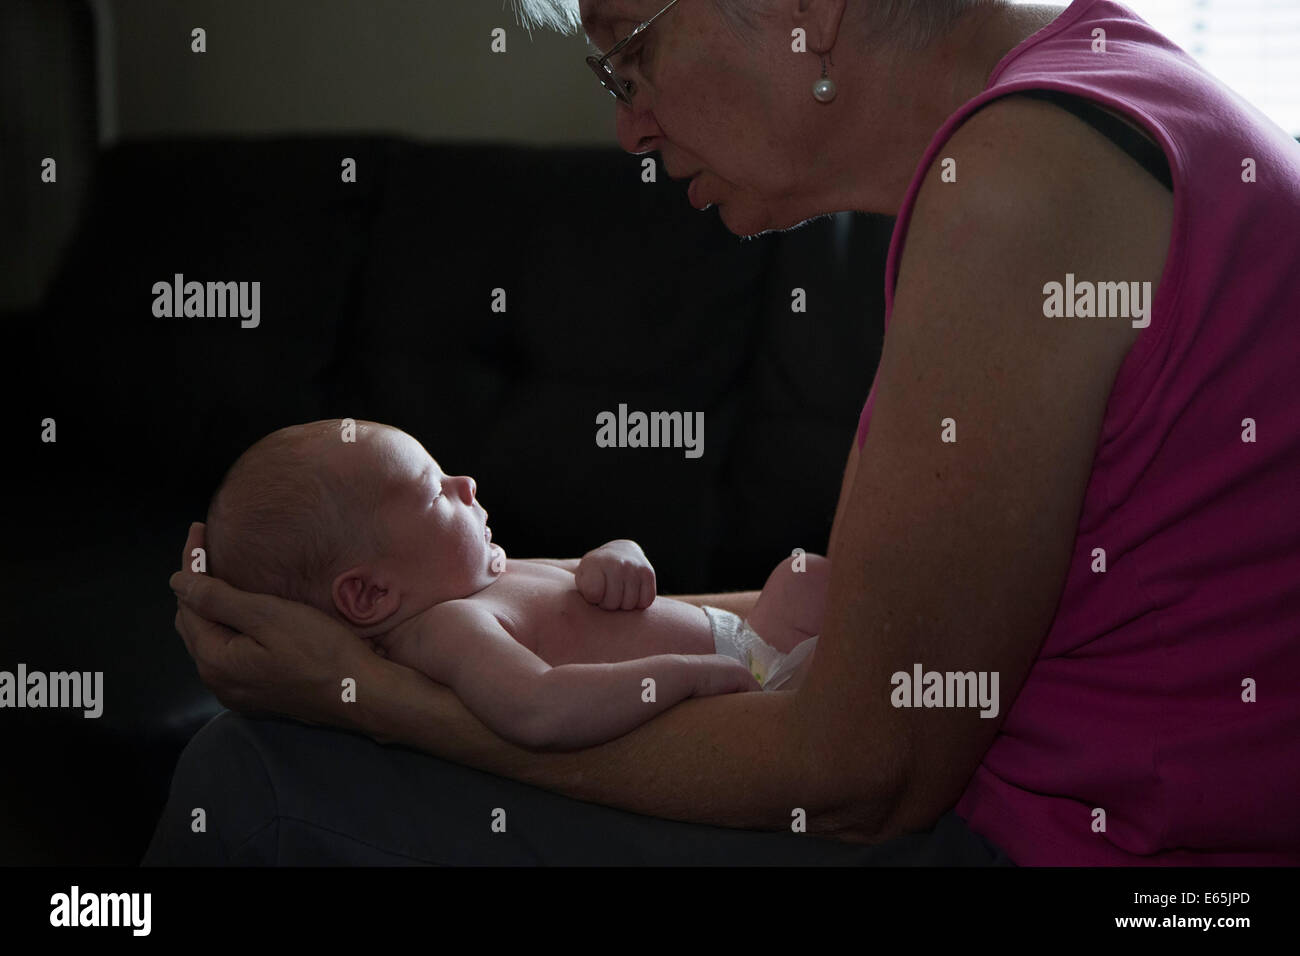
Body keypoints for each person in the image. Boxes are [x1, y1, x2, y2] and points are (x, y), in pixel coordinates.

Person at [155, 0, 1300, 865]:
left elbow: (858, 765)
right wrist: (480, 610)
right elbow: (898, 637)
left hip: (1089, 850)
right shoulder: (1097, 96)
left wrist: (370, 696)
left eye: (630, 54)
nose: (627, 125)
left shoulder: (1021, 184)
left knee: (250, 771)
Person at [203, 419, 824, 750]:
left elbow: (580, 587)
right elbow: (540, 708)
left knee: (802, 576)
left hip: (748, 649)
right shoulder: (448, 628)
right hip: (738, 699)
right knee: (852, 652)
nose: (465, 483)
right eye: (433, 489)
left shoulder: (480, 577)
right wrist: (685, 675)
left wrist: (617, 556)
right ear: (369, 596)